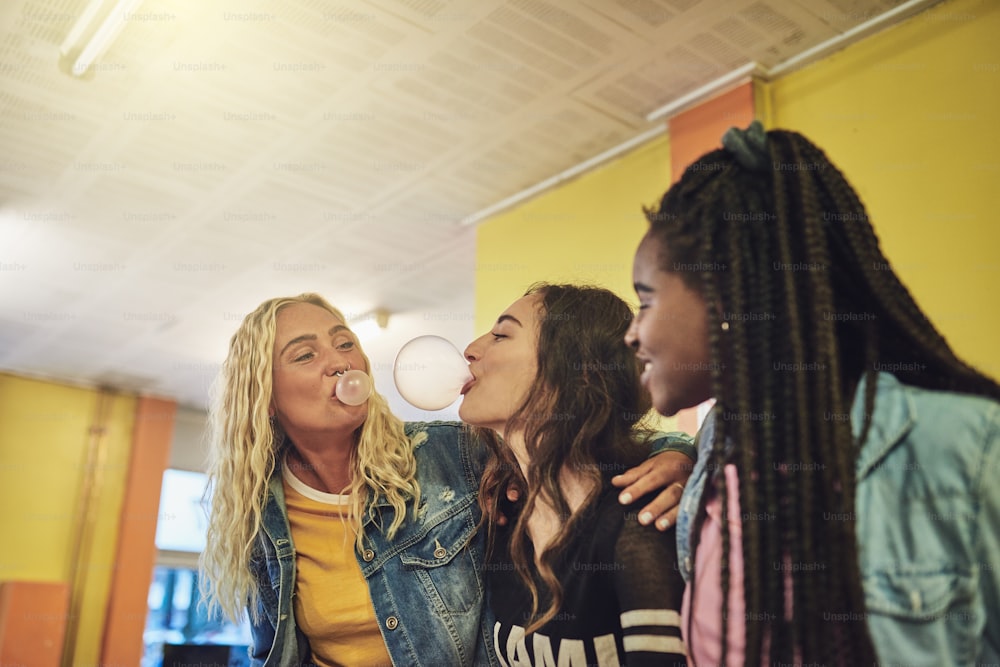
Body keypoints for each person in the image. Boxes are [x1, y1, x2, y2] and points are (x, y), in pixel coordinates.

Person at [625, 120, 1000, 665]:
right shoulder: (713, 457)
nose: (631, 333)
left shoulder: (964, 447)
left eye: (645, 301)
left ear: (729, 297)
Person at [200, 292, 695, 666]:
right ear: (264, 394)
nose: (341, 362)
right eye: (305, 355)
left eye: (346, 343)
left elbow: (588, 439)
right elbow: (275, 652)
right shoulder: (261, 515)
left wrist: (679, 455)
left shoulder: (449, 452)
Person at [460, 283, 689, 666]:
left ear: (571, 370)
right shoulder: (503, 517)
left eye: (501, 335)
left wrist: (682, 452)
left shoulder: (638, 519)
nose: (472, 349)